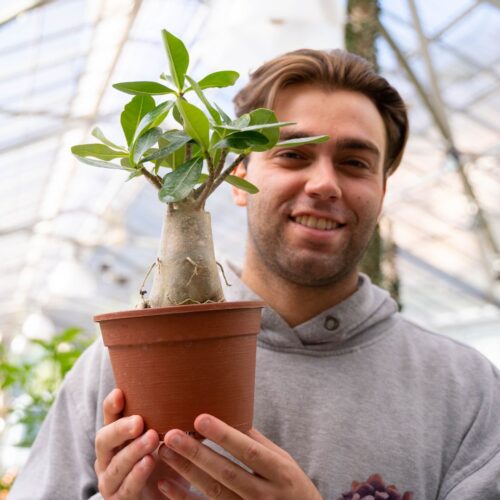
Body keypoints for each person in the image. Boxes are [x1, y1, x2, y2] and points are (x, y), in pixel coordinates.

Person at [10, 49, 500, 500]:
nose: (325, 183)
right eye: (293, 154)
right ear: (236, 179)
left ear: (382, 189)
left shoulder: (465, 389)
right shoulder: (125, 361)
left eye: (354, 163)